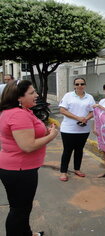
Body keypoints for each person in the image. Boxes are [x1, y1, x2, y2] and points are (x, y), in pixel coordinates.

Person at [0, 80, 58, 236]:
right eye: (32, 93)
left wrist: (44, 131)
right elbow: (28, 146)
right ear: (19, 97)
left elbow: (28, 133)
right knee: (19, 209)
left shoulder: (21, 111)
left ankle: (26, 233)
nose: (36, 95)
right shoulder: (18, 114)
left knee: (22, 207)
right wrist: (51, 136)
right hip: (20, 169)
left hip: (19, 168)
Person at [58, 78, 95, 182]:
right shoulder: (68, 96)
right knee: (67, 150)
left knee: (79, 150)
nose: (80, 86)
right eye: (77, 84)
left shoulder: (89, 97)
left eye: (82, 84)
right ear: (74, 85)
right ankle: (63, 172)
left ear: (85, 85)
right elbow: (62, 110)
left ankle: (77, 169)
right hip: (68, 129)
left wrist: (86, 119)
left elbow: (93, 111)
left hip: (83, 130)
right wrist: (78, 118)